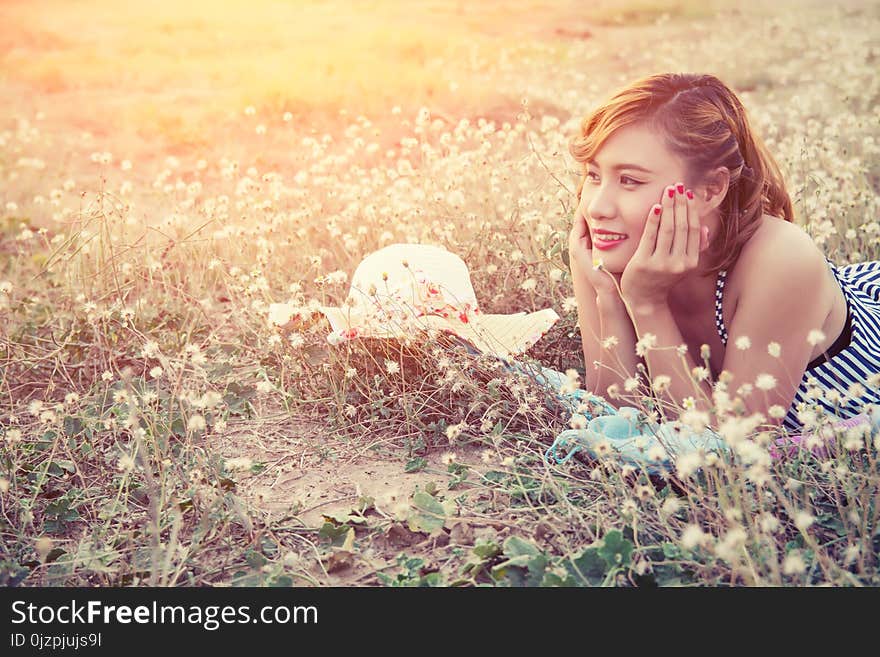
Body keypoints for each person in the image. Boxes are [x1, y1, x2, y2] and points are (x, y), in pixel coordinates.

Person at [567, 72, 880, 434]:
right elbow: (616, 423)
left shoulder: (780, 258)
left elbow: (722, 453)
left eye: (630, 180)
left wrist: (647, 304)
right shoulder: (612, 250)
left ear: (711, 189)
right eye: (593, 175)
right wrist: (608, 294)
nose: (597, 207)